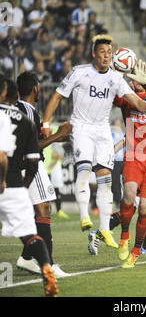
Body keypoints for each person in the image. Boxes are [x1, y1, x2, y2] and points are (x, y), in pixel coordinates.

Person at [41, 35, 146, 251]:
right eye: (103, 52)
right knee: (85, 171)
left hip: (102, 129)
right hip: (82, 127)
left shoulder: (116, 79)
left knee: (105, 179)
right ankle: (84, 217)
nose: (106, 55)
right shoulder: (79, 72)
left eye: (109, 52)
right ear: (94, 54)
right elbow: (58, 96)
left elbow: (133, 99)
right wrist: (46, 122)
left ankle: (105, 230)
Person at [88, 60, 146, 268]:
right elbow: (108, 95)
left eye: (140, 79)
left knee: (145, 207)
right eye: (133, 79)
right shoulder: (126, 99)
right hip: (133, 156)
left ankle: (136, 251)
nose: (136, 83)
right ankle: (124, 237)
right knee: (128, 196)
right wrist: (113, 76)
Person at [0, 76, 58, 297]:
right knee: (31, 229)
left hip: (10, 179)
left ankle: (28, 261)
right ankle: (47, 266)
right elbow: (11, 157)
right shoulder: (23, 117)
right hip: (12, 184)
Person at [15, 72, 72, 278]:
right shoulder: (27, 111)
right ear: (35, 88)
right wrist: (59, 134)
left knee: (38, 213)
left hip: (22, 166)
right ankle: (50, 264)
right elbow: (29, 147)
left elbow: (37, 139)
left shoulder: (21, 111)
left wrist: (60, 136)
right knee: (44, 210)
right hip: (30, 165)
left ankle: (27, 258)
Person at [44, 123, 69, 219]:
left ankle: (59, 210)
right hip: (44, 165)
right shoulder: (40, 129)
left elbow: (60, 152)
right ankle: (46, 211)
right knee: (46, 191)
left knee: (56, 188)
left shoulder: (55, 130)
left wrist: (54, 162)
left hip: (54, 166)